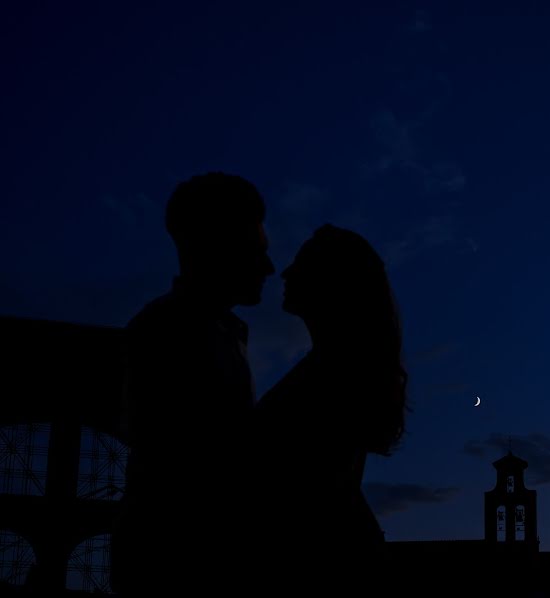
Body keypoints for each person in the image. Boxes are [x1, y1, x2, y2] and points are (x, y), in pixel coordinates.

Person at [111, 172, 275, 595]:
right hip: (181, 567)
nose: (268, 267)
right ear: (219, 245)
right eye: (257, 251)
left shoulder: (219, 332)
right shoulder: (165, 330)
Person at [253, 224, 407, 590]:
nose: (286, 272)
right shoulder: (338, 368)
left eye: (301, 264)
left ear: (333, 283)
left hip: (321, 567)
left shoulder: (334, 374)